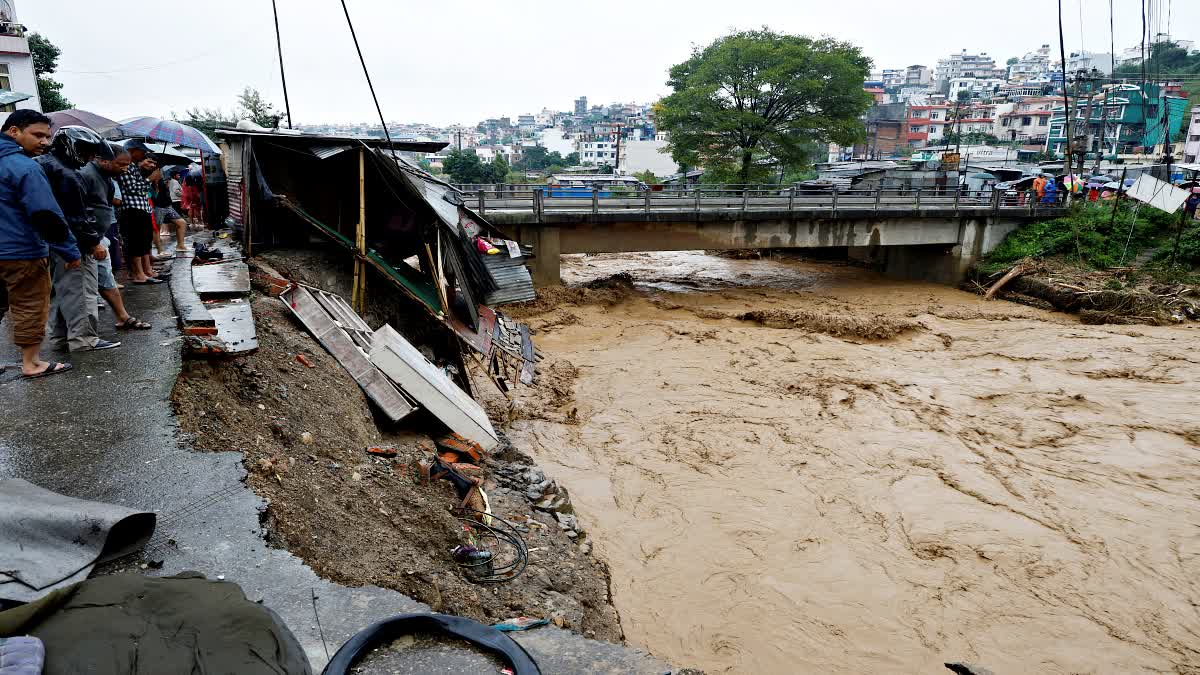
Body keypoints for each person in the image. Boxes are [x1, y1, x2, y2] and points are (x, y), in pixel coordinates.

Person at [0, 110, 77, 378]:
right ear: (14, 132)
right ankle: (31, 363)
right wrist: (69, 250)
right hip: (21, 250)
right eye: (38, 135)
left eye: (47, 136)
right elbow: (45, 214)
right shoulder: (26, 167)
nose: (45, 141)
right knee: (29, 303)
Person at [37, 125, 121, 353]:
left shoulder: (45, 165)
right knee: (81, 291)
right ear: (71, 147)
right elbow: (77, 216)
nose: (89, 157)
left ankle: (62, 338)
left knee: (62, 292)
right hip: (73, 244)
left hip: (53, 243)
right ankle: (84, 339)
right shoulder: (66, 174)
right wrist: (93, 242)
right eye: (86, 151)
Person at [80, 142, 150, 331]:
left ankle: (122, 317)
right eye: (121, 165)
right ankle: (83, 337)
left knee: (106, 279)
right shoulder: (86, 176)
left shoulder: (107, 178)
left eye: (127, 165)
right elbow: (79, 212)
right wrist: (93, 241)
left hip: (98, 238)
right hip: (88, 240)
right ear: (103, 160)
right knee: (85, 288)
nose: (125, 169)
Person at [115, 140, 166, 284]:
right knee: (135, 243)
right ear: (133, 150)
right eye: (141, 152)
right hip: (132, 209)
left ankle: (146, 270)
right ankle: (138, 274)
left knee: (144, 241)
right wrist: (150, 179)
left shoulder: (133, 166)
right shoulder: (125, 166)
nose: (144, 155)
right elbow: (133, 188)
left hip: (142, 207)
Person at [153, 170, 188, 252]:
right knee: (156, 229)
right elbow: (153, 194)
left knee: (182, 223)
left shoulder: (163, 179)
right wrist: (156, 186)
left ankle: (180, 246)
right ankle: (160, 250)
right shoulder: (151, 180)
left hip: (168, 206)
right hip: (159, 207)